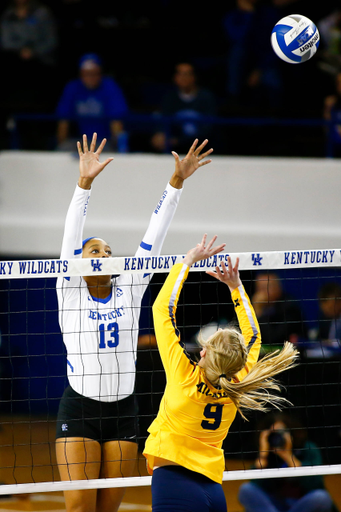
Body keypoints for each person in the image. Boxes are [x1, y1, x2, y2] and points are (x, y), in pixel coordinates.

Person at [55, 133, 214, 512]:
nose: (106, 255)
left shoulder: (128, 290)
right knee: (79, 507)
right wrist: (84, 185)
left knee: (108, 508)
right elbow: (70, 237)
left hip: (124, 410)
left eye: (109, 251)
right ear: (80, 261)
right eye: (96, 250)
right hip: (80, 409)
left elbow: (152, 239)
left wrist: (175, 183)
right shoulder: (70, 291)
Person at [143, 234, 299, 512]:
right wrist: (237, 286)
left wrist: (188, 261)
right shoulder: (236, 383)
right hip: (213, 488)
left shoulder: (184, 375)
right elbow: (254, 338)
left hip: (174, 481)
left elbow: (160, 310)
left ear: (203, 352)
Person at [238, 412, 335, 512]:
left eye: (281, 432)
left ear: (291, 432)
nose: (278, 437)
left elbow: (315, 483)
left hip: (302, 504)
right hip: (275, 505)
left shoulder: (308, 448)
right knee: (246, 489)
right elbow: (257, 485)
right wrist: (263, 454)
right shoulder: (267, 453)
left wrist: (288, 456)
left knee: (321, 497)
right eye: (274, 433)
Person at [55, 53, 129, 152]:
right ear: (81, 74)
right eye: (86, 74)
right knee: (62, 151)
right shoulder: (73, 87)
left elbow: (116, 122)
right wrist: (61, 141)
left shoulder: (110, 87)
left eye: (94, 73)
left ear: (100, 73)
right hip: (79, 141)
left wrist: (118, 147)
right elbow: (63, 121)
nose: (90, 77)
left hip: (104, 142)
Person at [150, 62, 217, 154]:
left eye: (187, 74)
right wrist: (160, 134)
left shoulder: (206, 98)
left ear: (194, 77)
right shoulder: (170, 98)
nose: (183, 78)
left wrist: (179, 141)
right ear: (174, 77)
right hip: (175, 151)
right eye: (179, 74)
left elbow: (209, 129)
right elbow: (163, 121)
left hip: (202, 151)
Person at [252, 271, 307, 350]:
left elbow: (273, 340)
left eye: (265, 288)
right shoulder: (251, 304)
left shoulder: (290, 308)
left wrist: (259, 312)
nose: (261, 293)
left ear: (277, 288)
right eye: (259, 288)